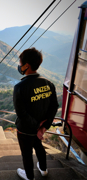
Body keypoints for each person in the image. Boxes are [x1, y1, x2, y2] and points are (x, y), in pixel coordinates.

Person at [13, 48, 59, 180]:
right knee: (39, 148)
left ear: (26, 65)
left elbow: (21, 113)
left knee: (27, 154)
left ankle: (29, 177)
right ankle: (43, 170)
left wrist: (36, 127)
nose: (19, 66)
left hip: (25, 130)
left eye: (20, 63)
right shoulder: (48, 84)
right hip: (41, 127)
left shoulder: (20, 87)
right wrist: (43, 127)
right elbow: (54, 106)